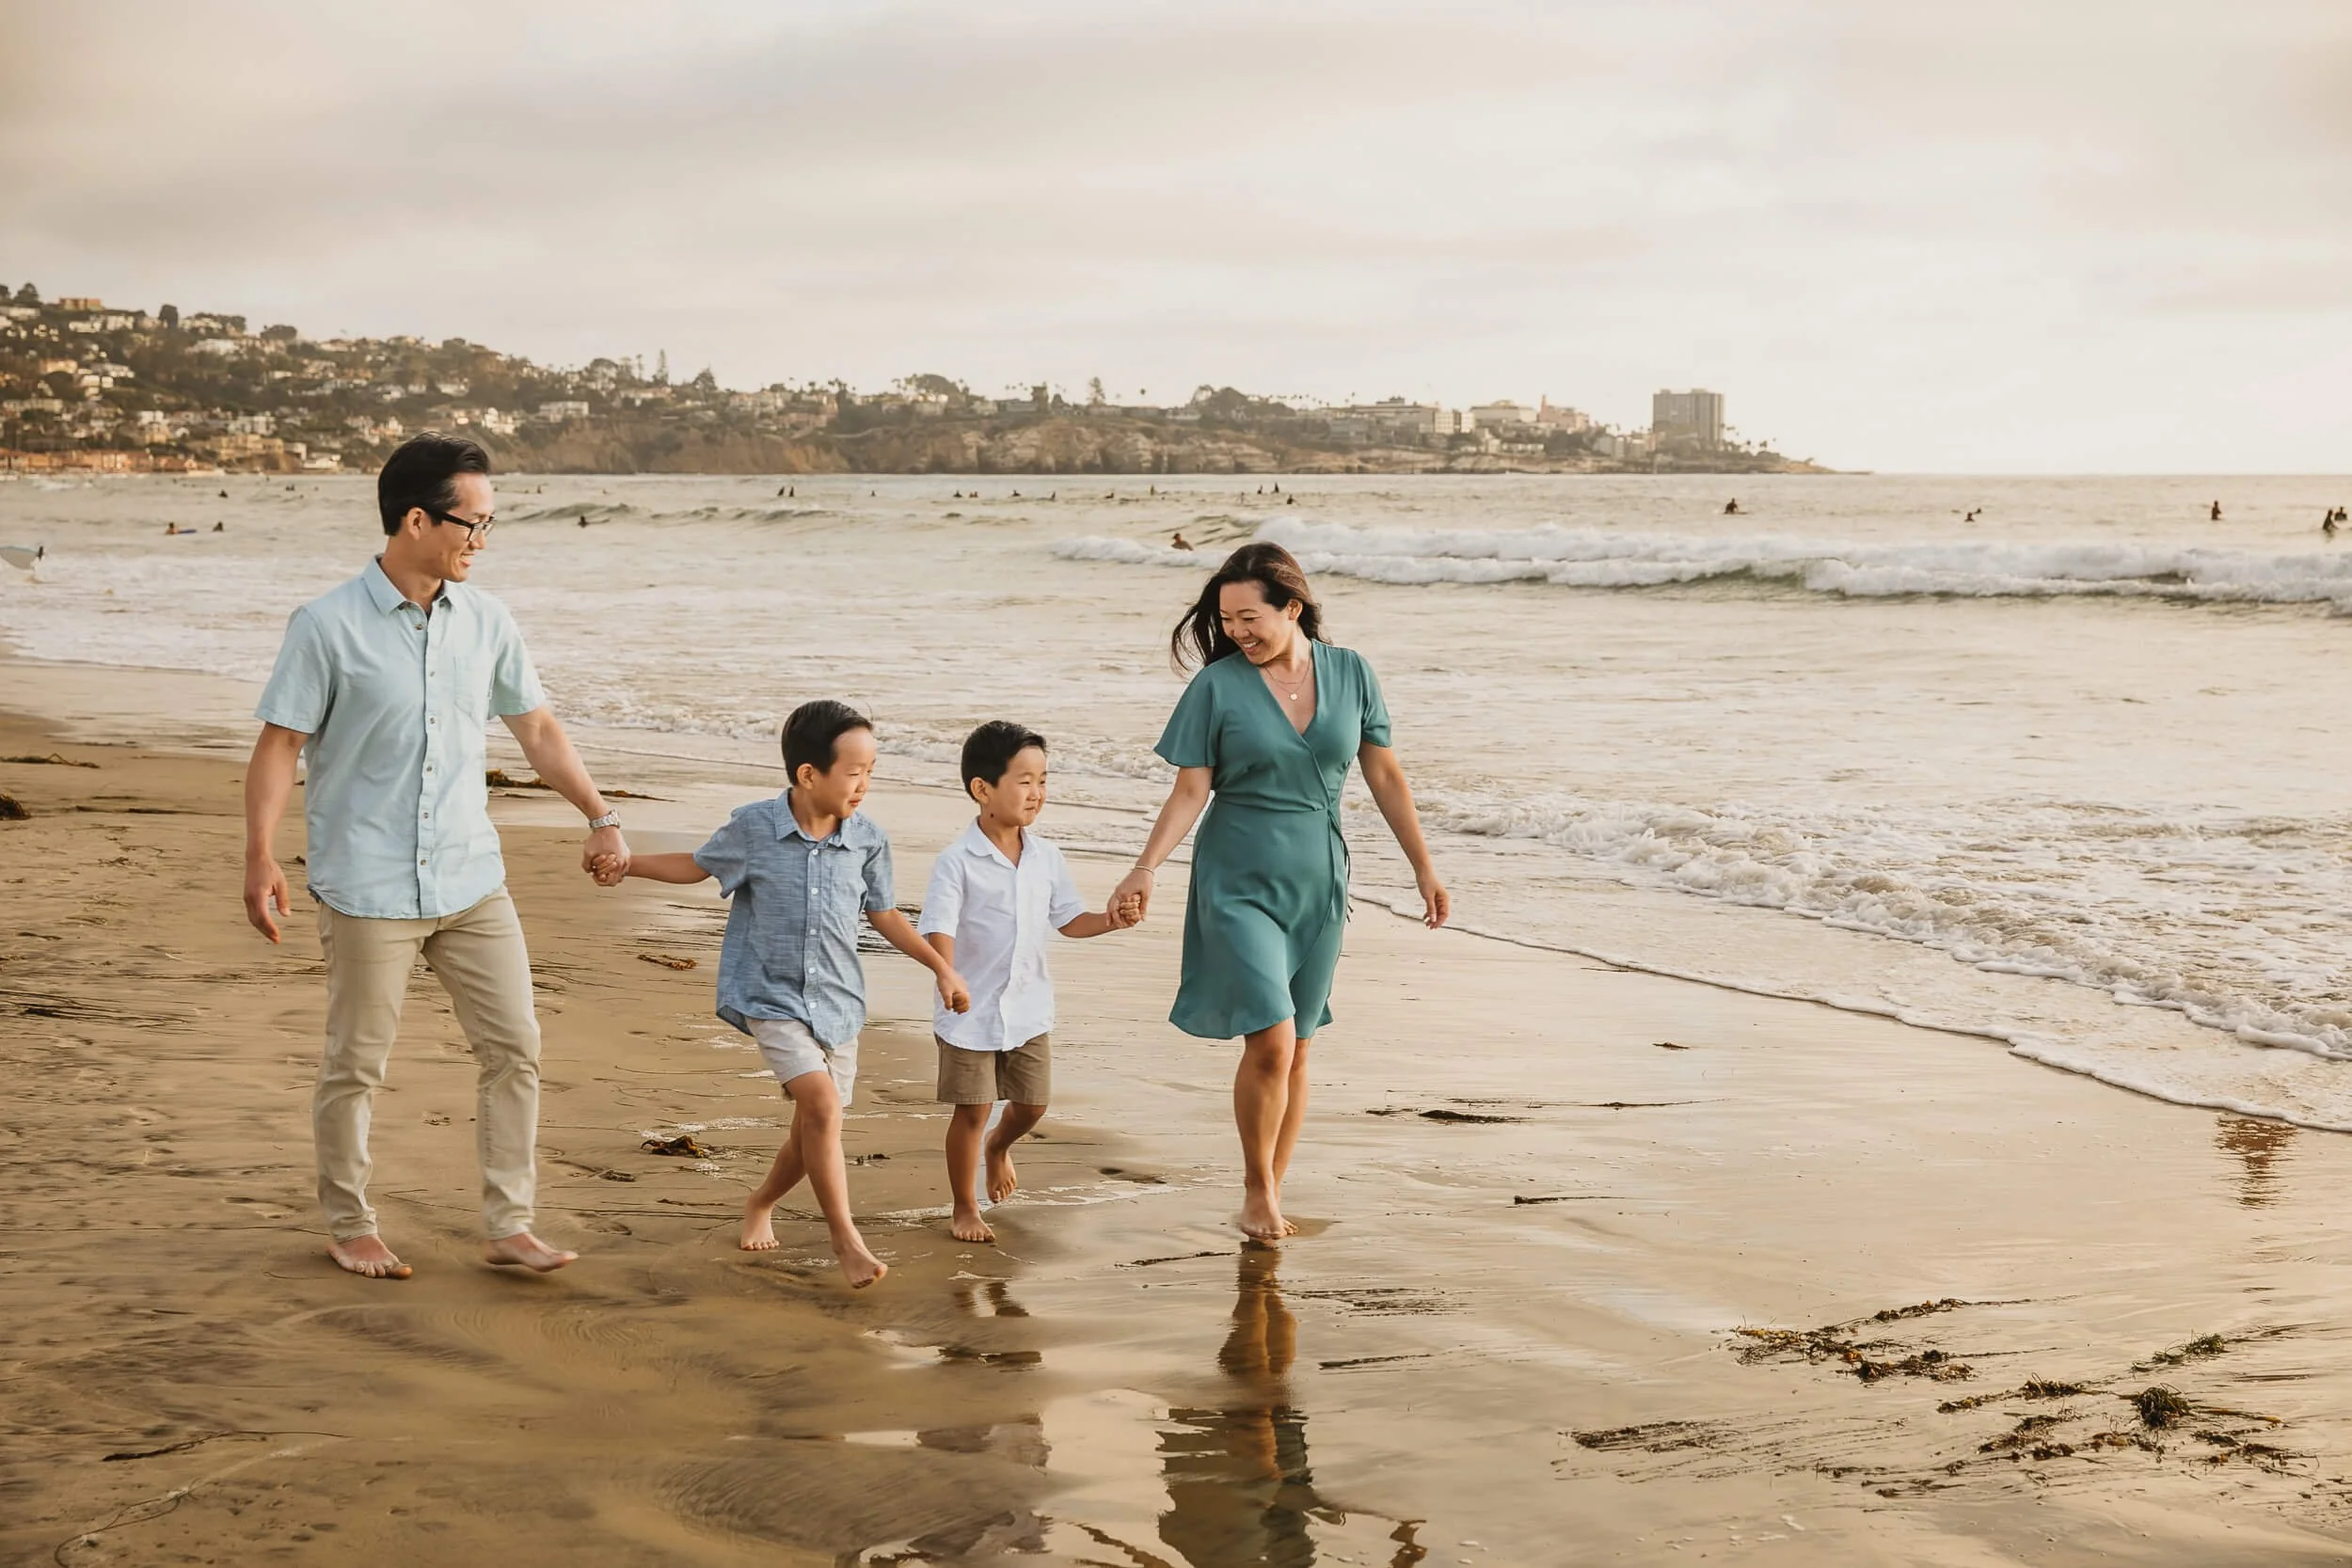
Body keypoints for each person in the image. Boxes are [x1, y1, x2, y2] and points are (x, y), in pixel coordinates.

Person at [245, 432, 626, 1280]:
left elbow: (539, 730)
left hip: (469, 877)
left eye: (489, 526)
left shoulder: (487, 621)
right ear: (417, 518)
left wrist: (600, 814)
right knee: (357, 1062)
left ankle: (508, 1223)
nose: (480, 543)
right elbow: (279, 747)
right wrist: (260, 854)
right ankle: (350, 1223)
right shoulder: (326, 626)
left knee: (515, 1046)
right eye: (472, 524)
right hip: (368, 883)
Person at [1110, 543, 1449, 1241]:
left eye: (1249, 617)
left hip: (1319, 880)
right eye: (1227, 619)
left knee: (1298, 1045)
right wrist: (1145, 866)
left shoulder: (1351, 671)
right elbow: (1191, 787)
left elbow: (1385, 775)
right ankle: (1256, 1188)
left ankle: (1274, 1183)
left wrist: (1423, 865)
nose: (1236, 631)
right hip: (1236, 877)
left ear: (1291, 607)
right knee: (1270, 1035)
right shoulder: (1216, 686)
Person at [595, 700, 970, 1288]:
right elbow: (698, 866)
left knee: (811, 1127)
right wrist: (627, 864)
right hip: (769, 997)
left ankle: (761, 1201)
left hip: (840, 1004)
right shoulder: (754, 828)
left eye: (872, 770)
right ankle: (845, 1240)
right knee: (821, 1109)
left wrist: (941, 969)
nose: (865, 784)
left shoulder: (868, 839)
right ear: (808, 774)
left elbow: (886, 914)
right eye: (855, 772)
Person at [918, 721, 1139, 1243]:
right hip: (968, 1010)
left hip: (1028, 1007)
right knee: (971, 1112)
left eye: (1043, 779)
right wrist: (946, 974)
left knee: (1033, 1104)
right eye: (1023, 780)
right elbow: (938, 926)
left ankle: (1000, 1147)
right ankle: (964, 1206)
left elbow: (1068, 920)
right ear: (982, 789)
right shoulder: (956, 862)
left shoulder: (1046, 857)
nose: (1037, 792)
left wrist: (1111, 919)